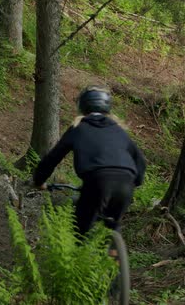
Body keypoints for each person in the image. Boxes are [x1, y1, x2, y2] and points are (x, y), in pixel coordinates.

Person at [33, 86, 146, 235]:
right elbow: (140, 161)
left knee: (79, 232)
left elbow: (53, 157)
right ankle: (113, 253)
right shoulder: (119, 130)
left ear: (82, 106)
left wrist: (39, 180)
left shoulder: (78, 128)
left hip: (97, 182)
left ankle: (78, 254)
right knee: (112, 227)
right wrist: (135, 182)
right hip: (126, 184)